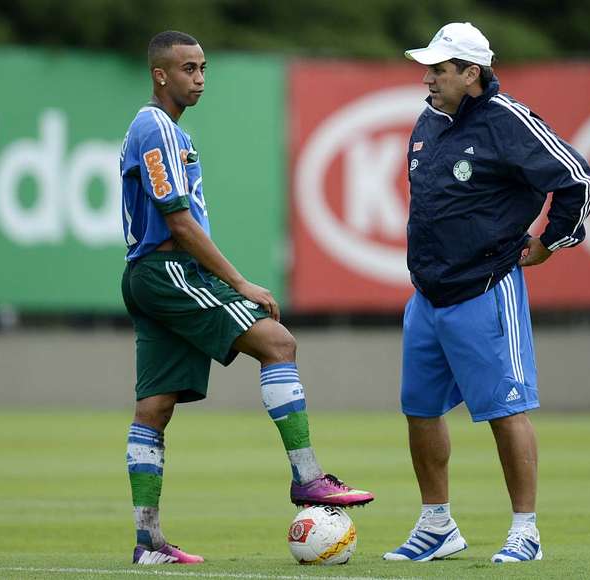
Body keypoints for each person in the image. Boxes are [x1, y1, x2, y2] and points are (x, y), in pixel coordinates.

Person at [119, 30, 373, 566]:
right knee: (278, 343)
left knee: (155, 407)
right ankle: (308, 480)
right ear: (159, 75)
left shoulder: (163, 129)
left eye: (204, 67)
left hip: (150, 274)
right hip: (169, 270)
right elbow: (180, 223)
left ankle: (148, 543)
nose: (200, 78)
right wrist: (239, 282)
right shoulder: (155, 127)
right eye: (189, 69)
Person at [383, 22, 590, 564]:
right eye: (426, 67)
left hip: (485, 288)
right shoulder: (429, 121)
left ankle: (526, 530)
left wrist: (552, 240)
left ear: (470, 73)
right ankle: (437, 524)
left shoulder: (509, 122)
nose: (427, 77)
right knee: (420, 410)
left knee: (507, 411)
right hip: (428, 295)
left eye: (439, 68)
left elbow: (579, 179)